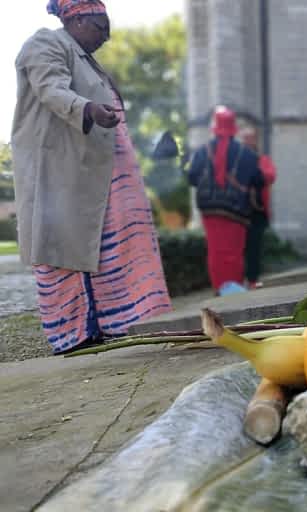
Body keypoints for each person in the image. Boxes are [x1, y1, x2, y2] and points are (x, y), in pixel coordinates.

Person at [11, 0, 172, 355]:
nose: (107, 37)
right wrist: (85, 108)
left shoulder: (86, 58)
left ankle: (122, 322)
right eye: (101, 27)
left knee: (117, 246)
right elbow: (50, 88)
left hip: (102, 175)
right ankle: (76, 333)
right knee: (66, 247)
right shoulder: (46, 43)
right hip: (63, 174)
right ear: (78, 19)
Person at [187, 107, 264, 293]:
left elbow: (191, 178)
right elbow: (259, 180)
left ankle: (219, 288)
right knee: (234, 252)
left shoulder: (201, 152)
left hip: (210, 209)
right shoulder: (248, 155)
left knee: (215, 251)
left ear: (215, 128)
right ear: (233, 129)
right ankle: (234, 289)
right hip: (237, 210)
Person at [240, 128, 277, 289]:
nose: (248, 141)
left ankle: (253, 280)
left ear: (255, 140)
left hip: (258, 211)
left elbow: (271, 176)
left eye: (251, 138)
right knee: (239, 247)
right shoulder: (237, 161)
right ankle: (239, 280)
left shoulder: (262, 160)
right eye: (245, 139)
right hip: (238, 210)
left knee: (254, 246)